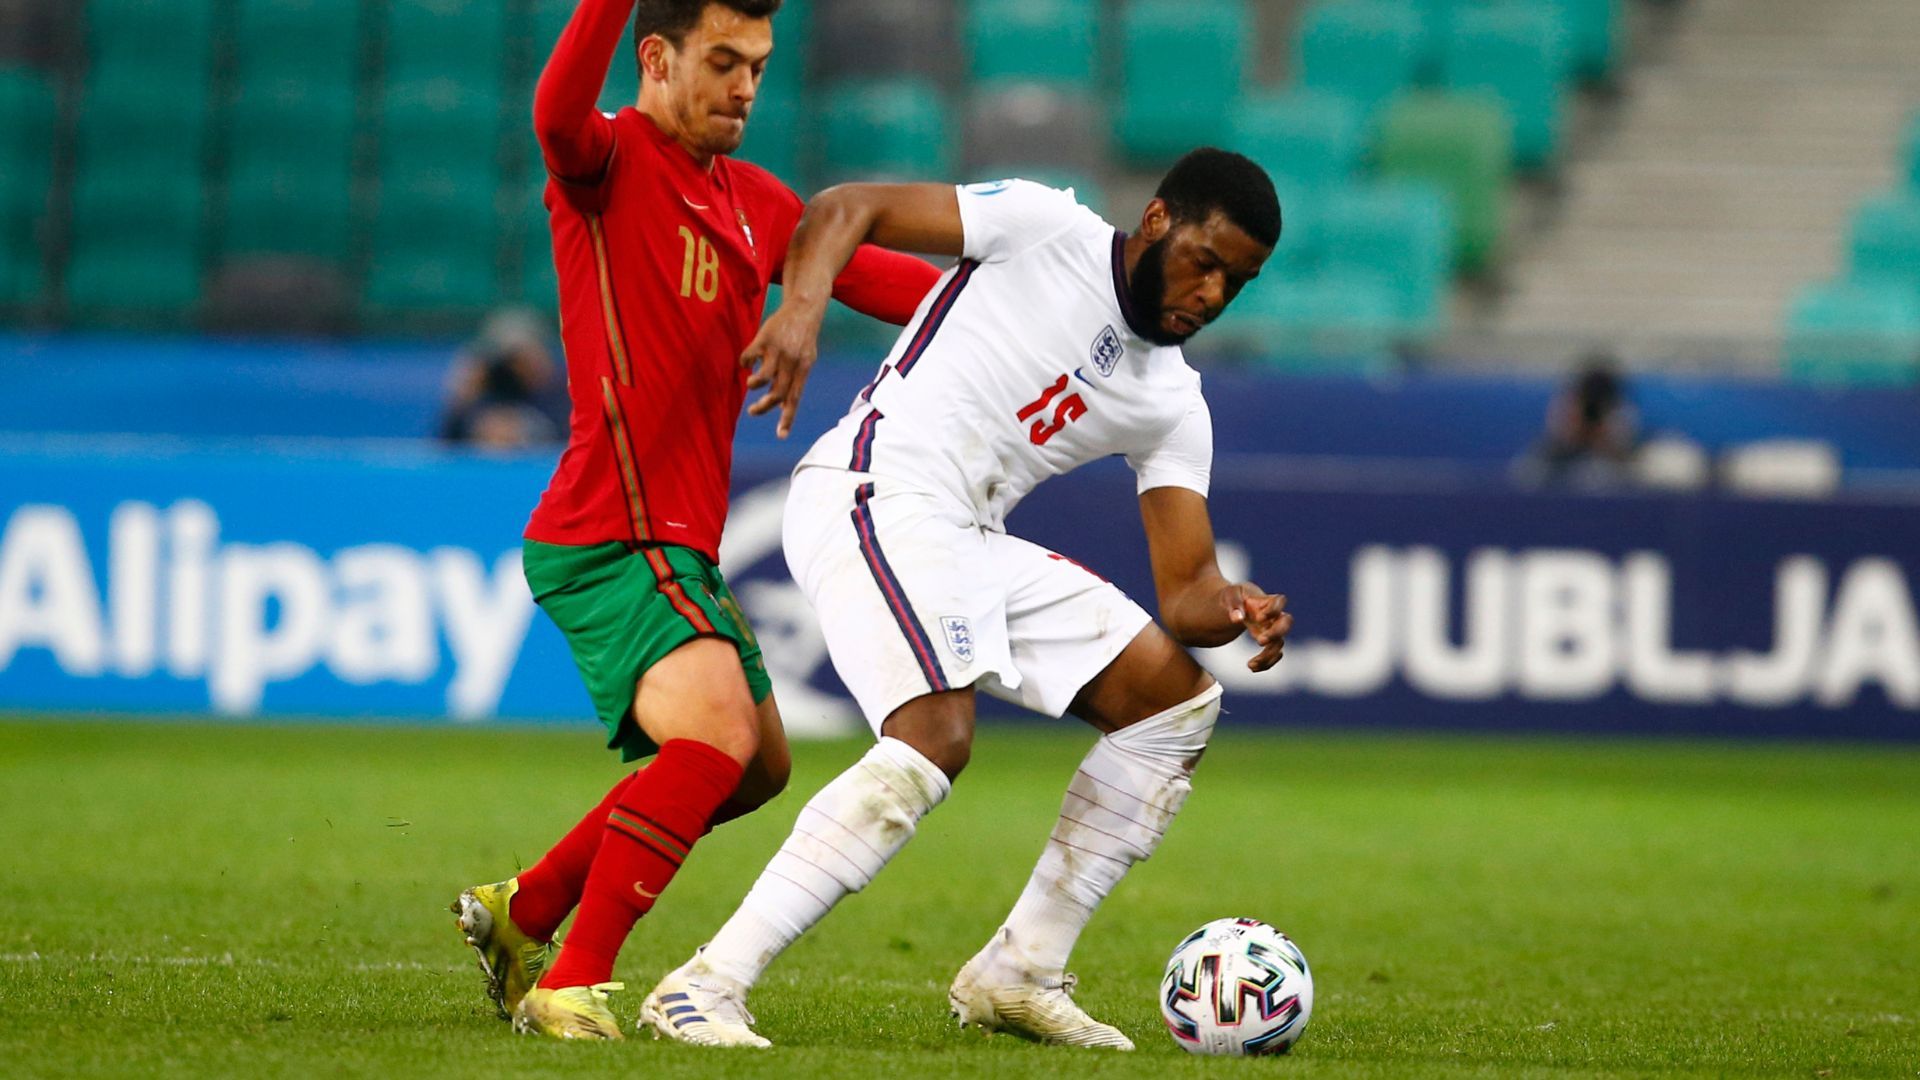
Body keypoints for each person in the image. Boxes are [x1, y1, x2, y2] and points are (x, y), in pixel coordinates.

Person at [639, 149, 1295, 1050]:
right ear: (1156, 220)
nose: (1215, 294)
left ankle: (1018, 970)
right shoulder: (1042, 227)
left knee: (1175, 704)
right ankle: (705, 986)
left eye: (1240, 281)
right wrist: (799, 309)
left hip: (963, 539)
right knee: (932, 741)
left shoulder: (1173, 401)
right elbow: (846, 205)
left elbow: (1185, 589)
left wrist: (1232, 606)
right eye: (1206, 261)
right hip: (871, 488)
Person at [448, 0, 940, 1041]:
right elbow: (553, 112)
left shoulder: (757, 201)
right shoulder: (608, 165)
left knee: (758, 765)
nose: (746, 88)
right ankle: (568, 981)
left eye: (759, 65)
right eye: (724, 62)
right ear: (657, 58)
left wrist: (1050, 290)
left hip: (679, 543)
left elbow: (895, 284)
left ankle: (525, 908)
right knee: (715, 738)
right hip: (609, 529)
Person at [438, 308, 568, 449]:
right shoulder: (488, 385)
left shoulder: (561, 387)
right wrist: (464, 398)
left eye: (524, 357)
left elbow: (569, 437)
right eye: (512, 360)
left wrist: (528, 428)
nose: (516, 368)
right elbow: (446, 443)